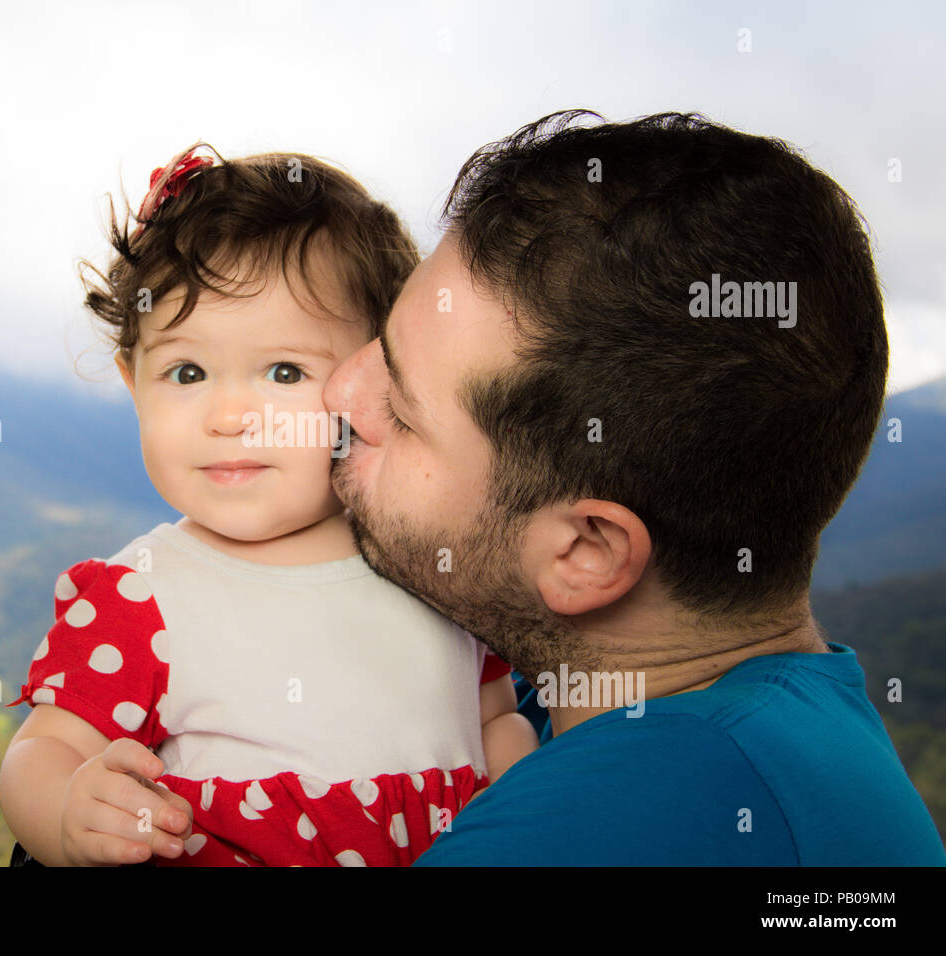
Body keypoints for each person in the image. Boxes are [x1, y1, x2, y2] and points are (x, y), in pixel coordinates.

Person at [322, 110, 946, 865]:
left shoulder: (592, 833)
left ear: (586, 552)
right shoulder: (764, 732)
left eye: (402, 408)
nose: (339, 390)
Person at [0, 144, 540, 867]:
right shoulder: (142, 595)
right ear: (134, 385)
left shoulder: (431, 557)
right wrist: (68, 809)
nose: (229, 415)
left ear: (373, 380)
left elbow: (495, 719)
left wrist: (522, 797)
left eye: (283, 371)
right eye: (186, 372)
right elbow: (45, 749)